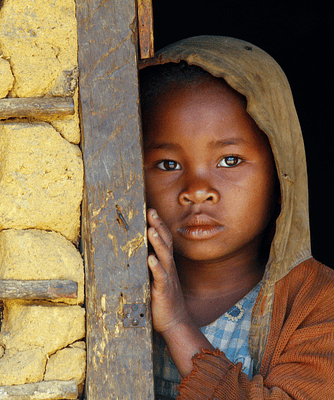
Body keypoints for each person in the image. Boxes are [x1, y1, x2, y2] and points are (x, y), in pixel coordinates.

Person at [139, 36, 334, 400]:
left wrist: (178, 324)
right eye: (168, 164)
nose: (197, 189)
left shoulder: (319, 305)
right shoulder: (109, 290)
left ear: (281, 170)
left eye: (230, 160)